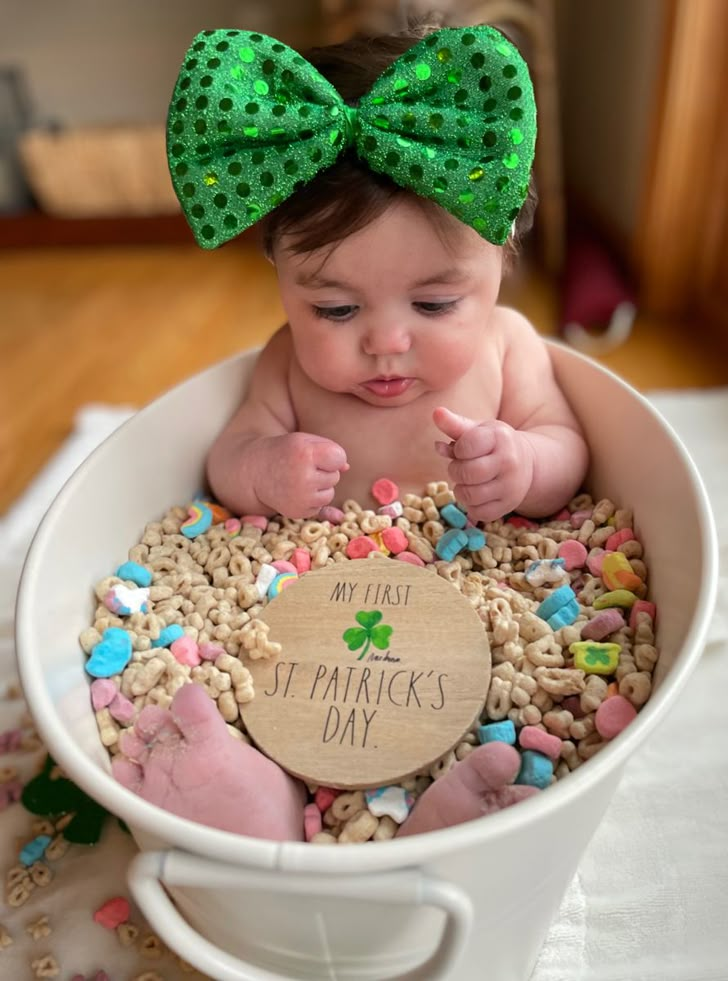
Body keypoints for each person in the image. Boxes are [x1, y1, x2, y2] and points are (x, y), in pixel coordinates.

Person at [112, 18, 587, 840]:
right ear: (278, 276)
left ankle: (452, 806)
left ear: (504, 254)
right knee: (270, 691)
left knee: (487, 697)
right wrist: (265, 469)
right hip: (310, 614)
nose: (387, 342)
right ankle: (260, 799)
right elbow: (229, 458)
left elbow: (567, 449)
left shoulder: (509, 351)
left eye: (436, 303)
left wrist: (522, 464)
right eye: (334, 308)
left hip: (473, 609)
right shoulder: (287, 365)